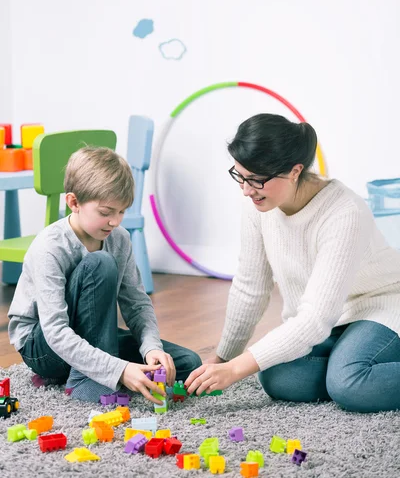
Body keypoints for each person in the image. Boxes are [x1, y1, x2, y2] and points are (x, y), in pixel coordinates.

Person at [185, 113, 400, 412]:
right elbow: (251, 288)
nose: (246, 190)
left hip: (381, 304)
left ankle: (350, 367)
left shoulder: (344, 212)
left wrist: (235, 371)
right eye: (240, 176)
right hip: (332, 319)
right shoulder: (259, 206)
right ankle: (351, 360)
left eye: (257, 180)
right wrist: (224, 358)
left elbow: (314, 318)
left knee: (348, 384)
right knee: (277, 375)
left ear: (295, 171)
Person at [8, 146, 201, 403]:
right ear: (74, 202)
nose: (116, 222)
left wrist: (151, 348)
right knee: (100, 263)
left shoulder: (119, 239)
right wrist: (120, 369)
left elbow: (137, 303)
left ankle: (96, 368)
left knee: (187, 364)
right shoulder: (50, 247)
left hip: (93, 334)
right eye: (106, 213)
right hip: (43, 347)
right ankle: (85, 381)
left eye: (121, 211)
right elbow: (54, 331)